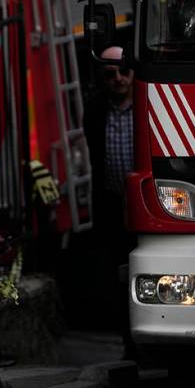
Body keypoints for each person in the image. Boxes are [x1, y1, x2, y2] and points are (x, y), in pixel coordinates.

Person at [81, 44, 136, 354]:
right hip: (112, 203)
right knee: (118, 273)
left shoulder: (148, 105)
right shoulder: (95, 109)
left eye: (123, 71)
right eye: (110, 74)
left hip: (145, 203)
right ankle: (128, 339)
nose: (118, 79)